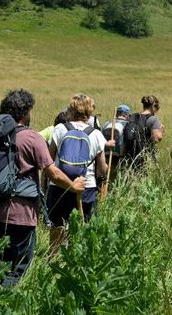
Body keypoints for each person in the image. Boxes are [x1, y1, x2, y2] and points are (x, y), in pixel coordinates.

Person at [0, 89, 85, 286]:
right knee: (17, 270)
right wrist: (73, 186)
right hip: (22, 213)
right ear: (25, 113)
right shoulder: (32, 138)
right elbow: (54, 174)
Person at [47, 94, 108, 253]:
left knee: (57, 227)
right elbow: (102, 170)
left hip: (59, 184)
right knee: (82, 227)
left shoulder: (60, 129)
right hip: (86, 187)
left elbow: (48, 158)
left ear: (72, 110)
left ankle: (53, 260)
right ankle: (75, 259)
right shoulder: (96, 134)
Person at [102, 104, 132, 172]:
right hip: (121, 155)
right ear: (126, 115)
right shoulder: (128, 125)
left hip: (106, 154)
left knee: (107, 172)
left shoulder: (107, 123)